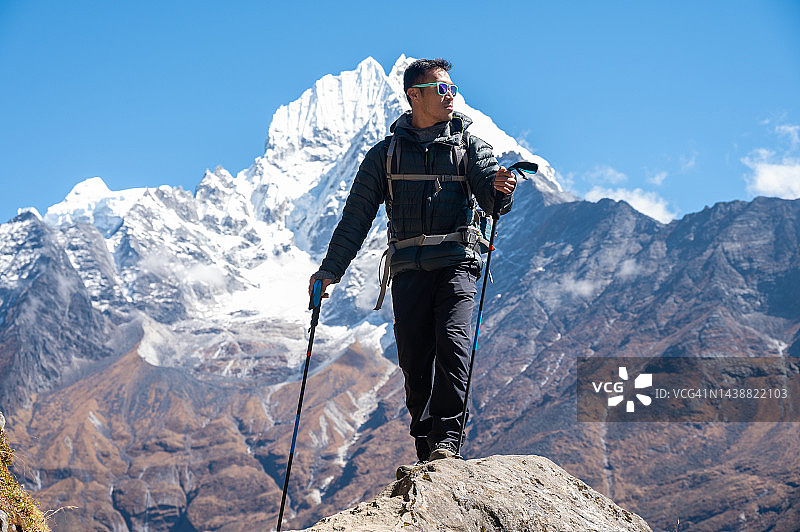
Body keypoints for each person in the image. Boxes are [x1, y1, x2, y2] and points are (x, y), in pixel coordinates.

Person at [308, 58, 517, 475]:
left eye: (453, 88)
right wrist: (330, 270)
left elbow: (491, 198)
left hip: (458, 263)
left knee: (453, 343)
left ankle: (446, 441)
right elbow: (356, 217)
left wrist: (500, 189)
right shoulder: (383, 157)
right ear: (415, 96)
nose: (451, 95)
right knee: (414, 358)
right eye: (442, 90)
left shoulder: (471, 147)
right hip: (406, 270)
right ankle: (425, 441)